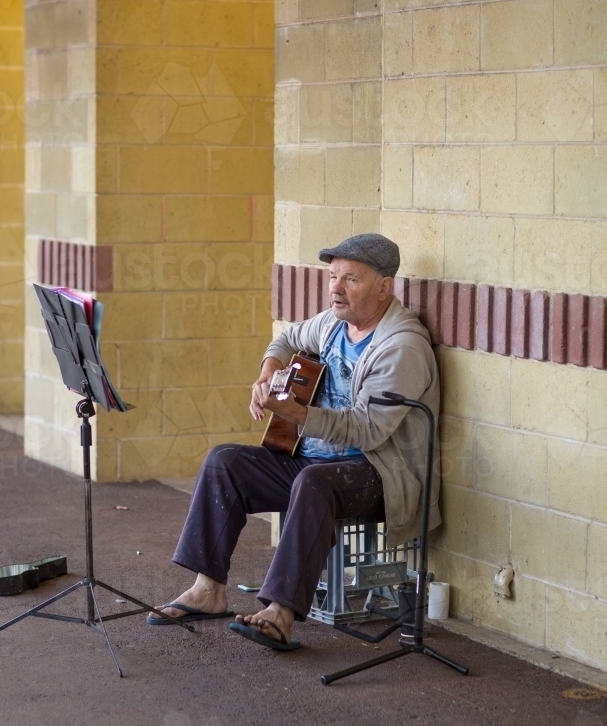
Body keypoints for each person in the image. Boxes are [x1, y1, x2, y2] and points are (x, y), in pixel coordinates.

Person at [146, 233, 440, 651]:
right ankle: (208, 589)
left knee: (314, 482)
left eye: (350, 280)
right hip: (313, 463)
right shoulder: (334, 325)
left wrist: (296, 414)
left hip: (379, 474)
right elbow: (285, 340)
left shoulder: (402, 347)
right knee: (224, 461)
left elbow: (368, 430)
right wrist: (268, 371)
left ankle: (280, 614)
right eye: (333, 276)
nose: (336, 289)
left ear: (383, 286)